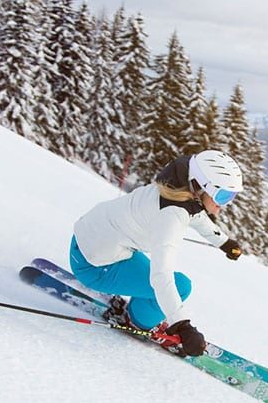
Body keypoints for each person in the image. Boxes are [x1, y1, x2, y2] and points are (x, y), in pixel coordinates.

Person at [69, 150, 244, 357]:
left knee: (165, 286)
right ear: (200, 187)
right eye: (222, 195)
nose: (224, 204)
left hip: (88, 244)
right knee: (181, 286)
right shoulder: (171, 216)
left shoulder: (175, 186)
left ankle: (140, 308)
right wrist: (182, 325)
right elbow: (161, 275)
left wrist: (223, 242)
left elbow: (194, 213)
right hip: (94, 266)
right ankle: (137, 321)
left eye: (231, 196)